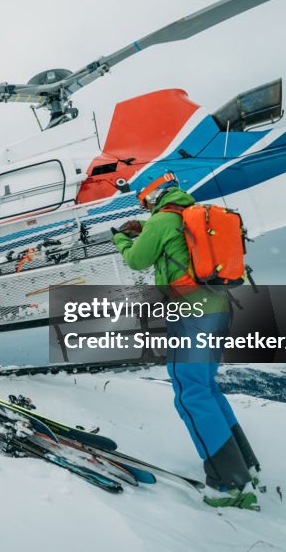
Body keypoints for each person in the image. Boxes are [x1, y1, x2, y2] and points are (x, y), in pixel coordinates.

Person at [112, 173, 262, 509]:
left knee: (191, 393)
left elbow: (137, 260)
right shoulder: (194, 215)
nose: (146, 208)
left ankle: (230, 485)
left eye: (145, 202)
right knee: (206, 388)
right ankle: (245, 468)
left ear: (154, 197)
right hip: (219, 306)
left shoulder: (163, 219)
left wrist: (121, 239)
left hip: (192, 311)